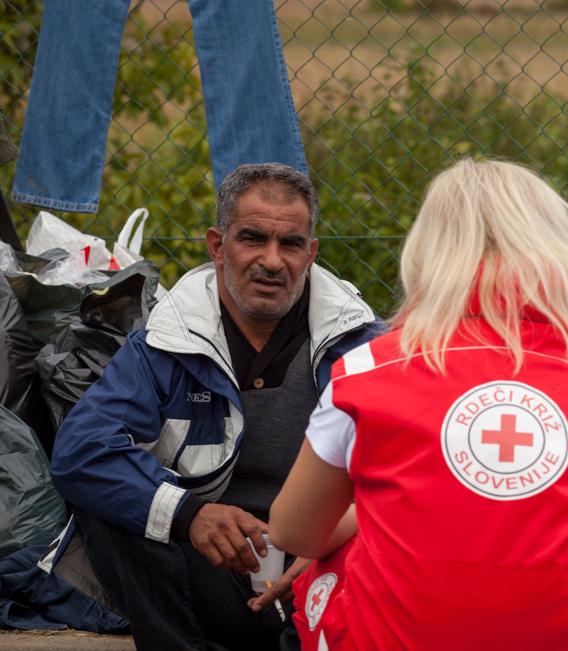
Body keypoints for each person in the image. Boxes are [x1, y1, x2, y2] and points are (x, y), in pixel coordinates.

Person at [269, 158, 568, 650]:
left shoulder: (367, 373)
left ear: (430, 252)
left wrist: (368, 511)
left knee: (328, 570)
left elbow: (294, 532)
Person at [47, 162, 381, 651]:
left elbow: (413, 471)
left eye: (290, 244)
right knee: (109, 506)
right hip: (213, 569)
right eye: (252, 239)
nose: (272, 260)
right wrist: (189, 514)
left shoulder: (358, 345)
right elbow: (80, 452)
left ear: (310, 254)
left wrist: (334, 541)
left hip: (323, 569)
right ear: (217, 246)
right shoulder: (169, 340)